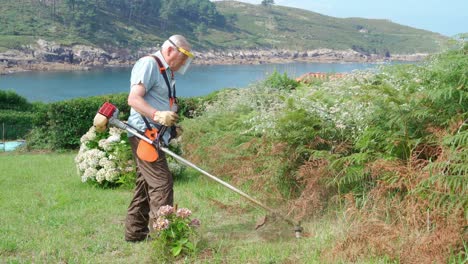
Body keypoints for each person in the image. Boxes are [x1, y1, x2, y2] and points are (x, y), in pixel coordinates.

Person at [124, 35, 194, 242]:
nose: (184, 62)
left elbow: (162, 100)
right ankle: (165, 239)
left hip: (155, 135)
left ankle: (135, 233)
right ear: (171, 50)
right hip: (144, 136)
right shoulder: (149, 64)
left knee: (145, 186)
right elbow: (133, 98)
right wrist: (157, 115)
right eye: (184, 57)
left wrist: (170, 126)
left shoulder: (167, 71)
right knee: (162, 184)